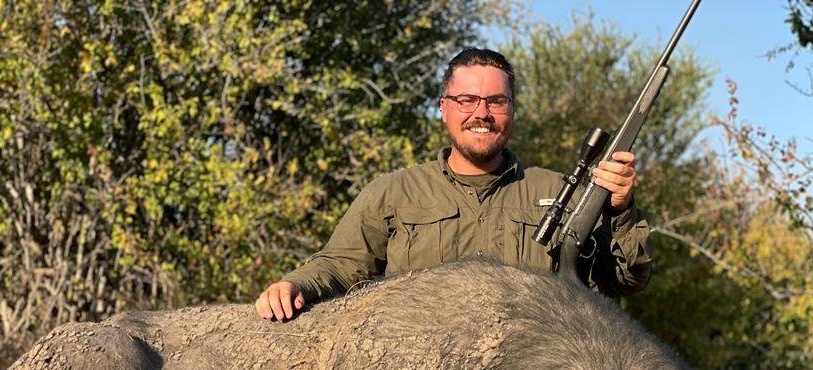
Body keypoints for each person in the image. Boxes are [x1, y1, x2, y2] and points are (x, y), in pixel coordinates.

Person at [255, 48, 651, 321]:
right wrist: (292, 285)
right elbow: (341, 264)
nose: (482, 113)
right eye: (467, 100)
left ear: (512, 110)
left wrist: (619, 207)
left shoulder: (558, 191)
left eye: (497, 101)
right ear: (444, 107)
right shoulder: (394, 192)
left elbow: (624, 280)